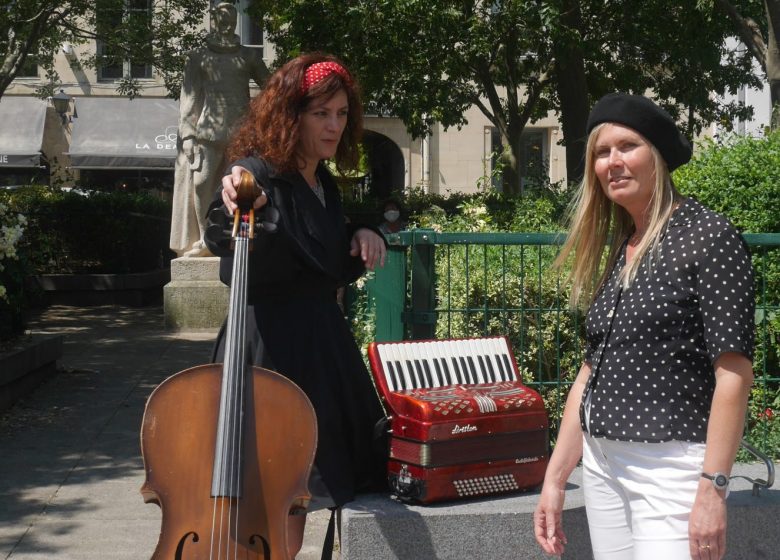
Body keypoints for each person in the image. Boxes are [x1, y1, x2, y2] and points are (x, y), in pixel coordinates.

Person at [533, 93, 755, 560]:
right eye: (600, 151)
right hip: (601, 464)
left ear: (656, 155)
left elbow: (733, 374)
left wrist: (712, 491)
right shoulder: (624, 246)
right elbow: (590, 372)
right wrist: (554, 482)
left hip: (671, 468)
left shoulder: (709, 237)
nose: (612, 162)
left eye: (626, 146)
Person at [203, 53, 388, 557]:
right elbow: (228, 220)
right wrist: (239, 194)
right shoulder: (260, 172)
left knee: (302, 491)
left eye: (342, 115)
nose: (334, 126)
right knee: (274, 487)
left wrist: (362, 229)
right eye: (321, 114)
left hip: (319, 345)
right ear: (291, 114)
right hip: (269, 348)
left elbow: (318, 251)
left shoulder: (321, 181)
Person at [170, 2, 269, 258]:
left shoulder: (248, 56)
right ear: (213, 20)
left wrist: (260, 117)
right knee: (202, 183)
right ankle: (205, 236)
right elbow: (189, 99)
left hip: (241, 133)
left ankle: (239, 237)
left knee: (243, 187)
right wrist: (188, 134)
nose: (226, 22)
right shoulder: (198, 57)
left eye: (230, 17)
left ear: (236, 21)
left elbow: (271, 90)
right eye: (221, 17)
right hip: (207, 132)